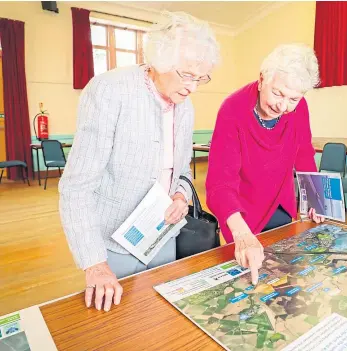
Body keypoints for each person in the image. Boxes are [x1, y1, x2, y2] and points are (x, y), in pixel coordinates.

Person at [59, 12, 220, 311]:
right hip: (112, 241)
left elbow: (182, 170)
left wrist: (181, 195)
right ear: (160, 59)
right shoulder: (110, 90)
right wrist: (94, 264)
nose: (193, 87)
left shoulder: (186, 106)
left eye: (200, 78)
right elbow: (76, 187)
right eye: (187, 75)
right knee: (118, 323)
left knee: (161, 315)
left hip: (162, 233)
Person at [206, 44, 324, 285]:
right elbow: (220, 184)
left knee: (284, 283)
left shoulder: (298, 107)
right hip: (241, 213)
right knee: (246, 287)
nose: (283, 107)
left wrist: (315, 196)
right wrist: (240, 233)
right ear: (261, 80)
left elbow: (304, 154)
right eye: (278, 94)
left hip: (281, 206)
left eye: (293, 98)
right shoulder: (232, 109)